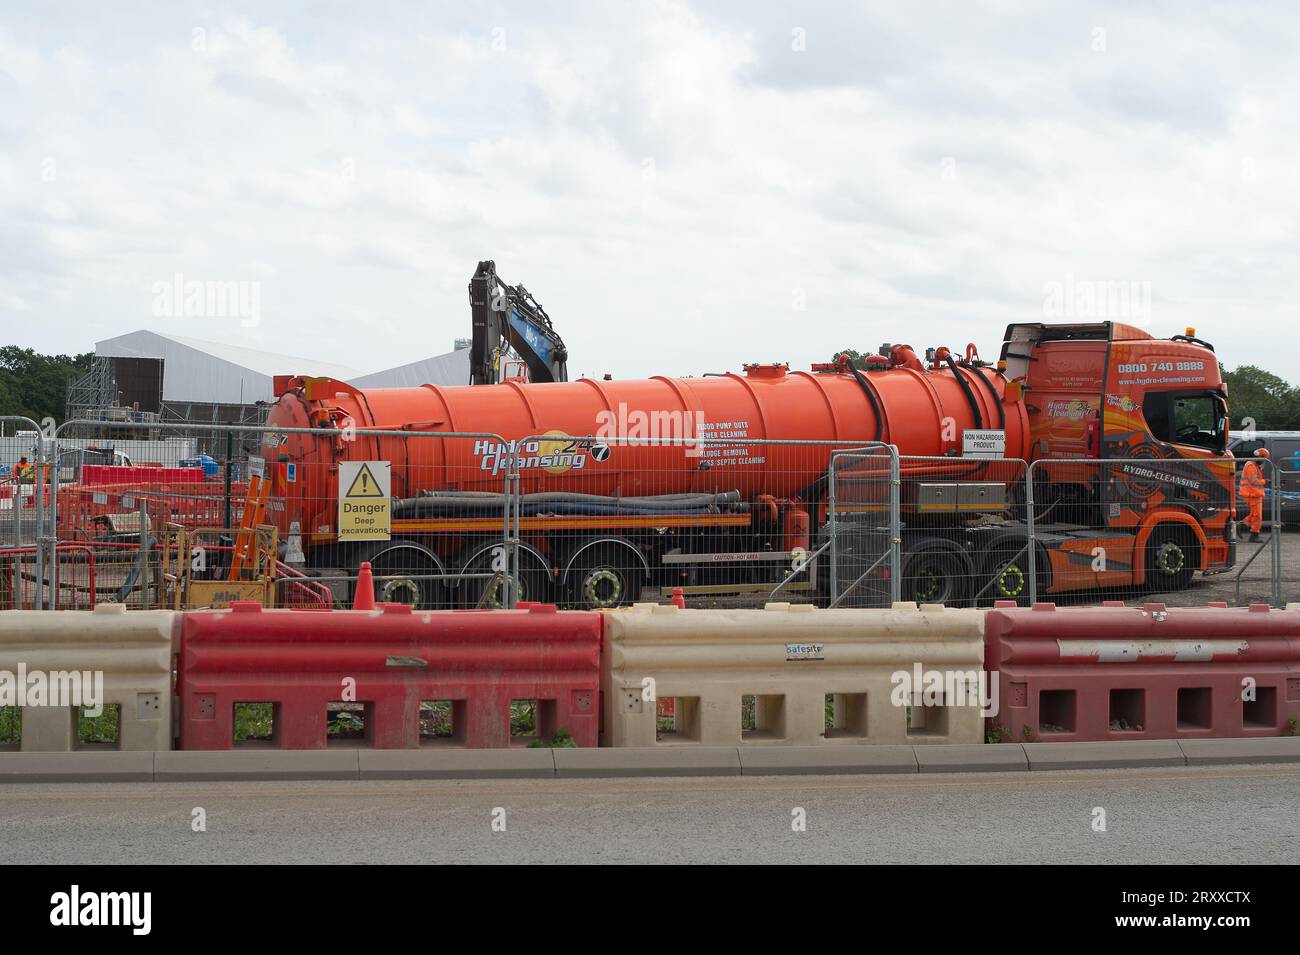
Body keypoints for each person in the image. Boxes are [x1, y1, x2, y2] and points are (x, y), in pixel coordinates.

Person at [1239, 447, 1269, 542]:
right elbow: (1253, 481)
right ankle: (1254, 535)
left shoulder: (1254, 465)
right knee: (1257, 516)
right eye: (1263, 458)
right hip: (1252, 495)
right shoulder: (1251, 465)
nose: (1264, 461)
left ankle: (1240, 526)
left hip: (1254, 494)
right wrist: (1265, 481)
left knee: (1254, 515)